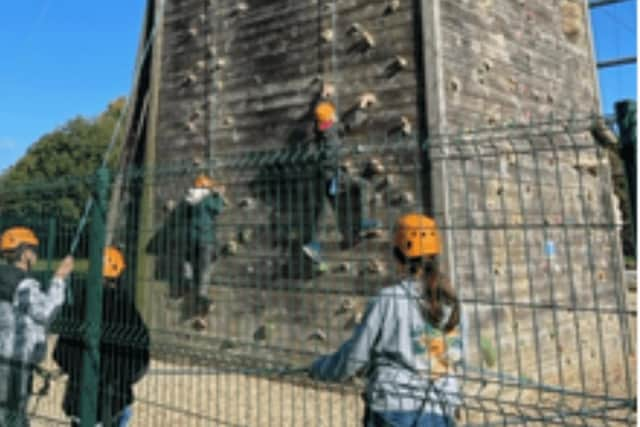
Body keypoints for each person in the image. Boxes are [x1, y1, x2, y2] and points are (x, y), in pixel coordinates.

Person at [309, 213, 464, 427]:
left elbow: (354, 358)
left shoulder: (388, 299)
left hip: (394, 408)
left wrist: (320, 368)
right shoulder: (450, 300)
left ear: (397, 257)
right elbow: (456, 356)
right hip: (440, 407)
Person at [54, 246, 150, 427]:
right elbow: (139, 361)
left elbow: (60, 354)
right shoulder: (126, 311)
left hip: (79, 401)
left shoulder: (79, 307)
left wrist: (78, 370)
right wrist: (119, 378)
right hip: (113, 402)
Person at [0, 226, 74, 427]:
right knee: (14, 417)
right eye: (33, 250)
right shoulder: (24, 285)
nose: (35, 255)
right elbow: (46, 312)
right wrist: (59, 279)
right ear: (24, 254)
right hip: (17, 361)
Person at [302, 101, 380, 267]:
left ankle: (314, 245)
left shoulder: (318, 133)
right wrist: (362, 107)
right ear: (330, 117)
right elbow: (348, 124)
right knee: (364, 186)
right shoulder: (332, 129)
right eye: (333, 113)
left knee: (324, 213)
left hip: (321, 178)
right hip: (333, 176)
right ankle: (364, 223)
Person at [182, 174, 226, 330]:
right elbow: (219, 208)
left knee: (192, 268)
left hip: (190, 241)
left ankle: (189, 286)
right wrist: (219, 194)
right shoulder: (206, 199)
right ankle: (202, 299)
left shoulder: (189, 199)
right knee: (205, 271)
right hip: (205, 240)